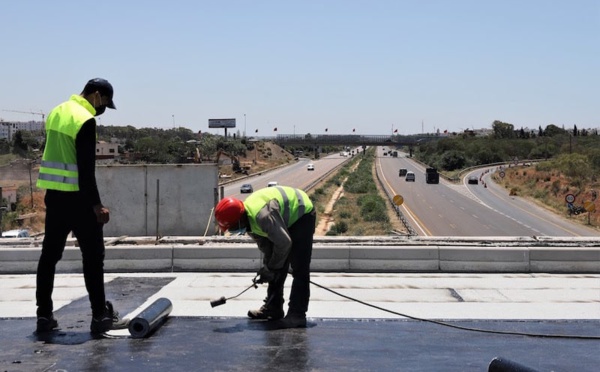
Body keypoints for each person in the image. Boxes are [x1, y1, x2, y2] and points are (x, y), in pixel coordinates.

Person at [35, 78, 128, 334]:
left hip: (54, 197)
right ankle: (100, 316)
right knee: (93, 258)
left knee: (49, 258)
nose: (103, 109)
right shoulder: (85, 119)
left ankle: (44, 316)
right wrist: (97, 206)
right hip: (79, 199)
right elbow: (86, 170)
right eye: (105, 103)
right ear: (96, 95)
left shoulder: (57, 111)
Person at [214, 186, 316, 328]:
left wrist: (272, 267)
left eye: (232, 228)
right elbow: (268, 250)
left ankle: (297, 315)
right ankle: (273, 308)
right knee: (276, 264)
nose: (232, 231)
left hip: (301, 214)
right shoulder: (247, 222)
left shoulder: (262, 216)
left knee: (300, 268)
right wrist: (268, 268)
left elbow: (284, 243)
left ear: (239, 220)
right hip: (280, 220)